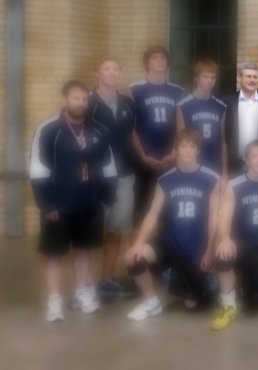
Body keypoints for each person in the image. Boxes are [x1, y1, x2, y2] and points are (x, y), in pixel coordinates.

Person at [30, 80, 117, 322]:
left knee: (84, 251)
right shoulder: (47, 130)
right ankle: (54, 302)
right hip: (57, 204)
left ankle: (82, 293)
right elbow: (38, 168)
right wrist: (46, 203)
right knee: (54, 254)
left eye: (84, 99)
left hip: (89, 203)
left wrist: (107, 197)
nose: (81, 103)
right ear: (64, 99)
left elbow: (108, 165)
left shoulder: (99, 130)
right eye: (75, 98)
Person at [124, 129, 220, 321]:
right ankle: (152, 302)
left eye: (192, 146)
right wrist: (139, 242)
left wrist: (209, 251)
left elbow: (214, 217)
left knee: (192, 305)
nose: (187, 151)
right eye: (183, 146)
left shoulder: (212, 179)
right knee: (134, 258)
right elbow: (152, 214)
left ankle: (208, 280)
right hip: (170, 241)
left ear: (198, 151)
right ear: (176, 150)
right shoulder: (165, 180)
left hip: (195, 246)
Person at [211, 140, 258, 330]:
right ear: (246, 160)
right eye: (255, 156)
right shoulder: (234, 185)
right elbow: (224, 217)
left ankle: (250, 283)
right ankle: (228, 303)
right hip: (241, 246)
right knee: (223, 254)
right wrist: (225, 239)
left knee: (255, 303)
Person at [88, 56, 137, 298]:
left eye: (116, 69)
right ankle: (85, 285)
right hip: (95, 178)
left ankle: (107, 279)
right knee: (90, 232)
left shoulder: (128, 103)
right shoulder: (87, 103)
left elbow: (134, 136)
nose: (111, 73)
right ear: (96, 73)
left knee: (116, 230)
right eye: (106, 69)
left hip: (125, 175)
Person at [129, 45, 185, 225]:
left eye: (163, 58)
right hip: (143, 158)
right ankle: (139, 249)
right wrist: (143, 156)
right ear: (147, 62)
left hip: (169, 156)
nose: (160, 61)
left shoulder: (178, 91)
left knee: (168, 207)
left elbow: (181, 126)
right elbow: (131, 127)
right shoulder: (134, 89)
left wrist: (174, 154)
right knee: (142, 207)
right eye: (155, 57)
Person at [223, 62, 258, 175]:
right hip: (235, 164)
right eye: (248, 76)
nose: (252, 80)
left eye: (255, 77)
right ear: (239, 78)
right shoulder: (227, 102)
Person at [176, 58, 228, 177]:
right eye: (205, 76)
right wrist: (181, 167)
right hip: (192, 164)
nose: (209, 81)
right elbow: (180, 139)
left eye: (212, 77)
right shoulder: (183, 105)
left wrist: (224, 172)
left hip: (215, 163)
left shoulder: (221, 106)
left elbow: (223, 141)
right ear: (196, 78)